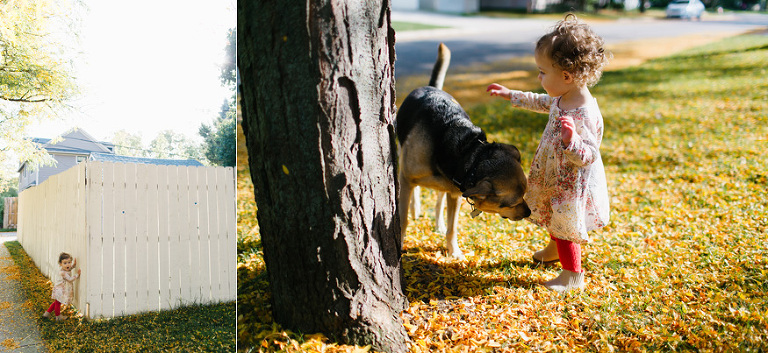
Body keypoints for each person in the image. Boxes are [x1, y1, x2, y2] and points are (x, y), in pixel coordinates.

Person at [486, 14, 610, 292]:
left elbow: (589, 155)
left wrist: (571, 141)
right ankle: (554, 251)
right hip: (555, 176)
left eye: (542, 72)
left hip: (571, 184)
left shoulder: (584, 112)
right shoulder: (562, 96)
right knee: (555, 217)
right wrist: (510, 94)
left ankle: (572, 276)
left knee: (565, 224)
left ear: (566, 76)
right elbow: (541, 101)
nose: (538, 77)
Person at [43, 252, 81, 320]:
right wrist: (77, 275)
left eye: (69, 262)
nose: (68, 264)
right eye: (65, 263)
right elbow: (70, 279)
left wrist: (74, 265)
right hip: (60, 290)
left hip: (60, 289)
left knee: (56, 302)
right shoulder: (63, 273)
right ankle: (58, 316)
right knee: (58, 303)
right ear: (60, 264)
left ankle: (47, 313)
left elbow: (69, 269)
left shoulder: (64, 269)